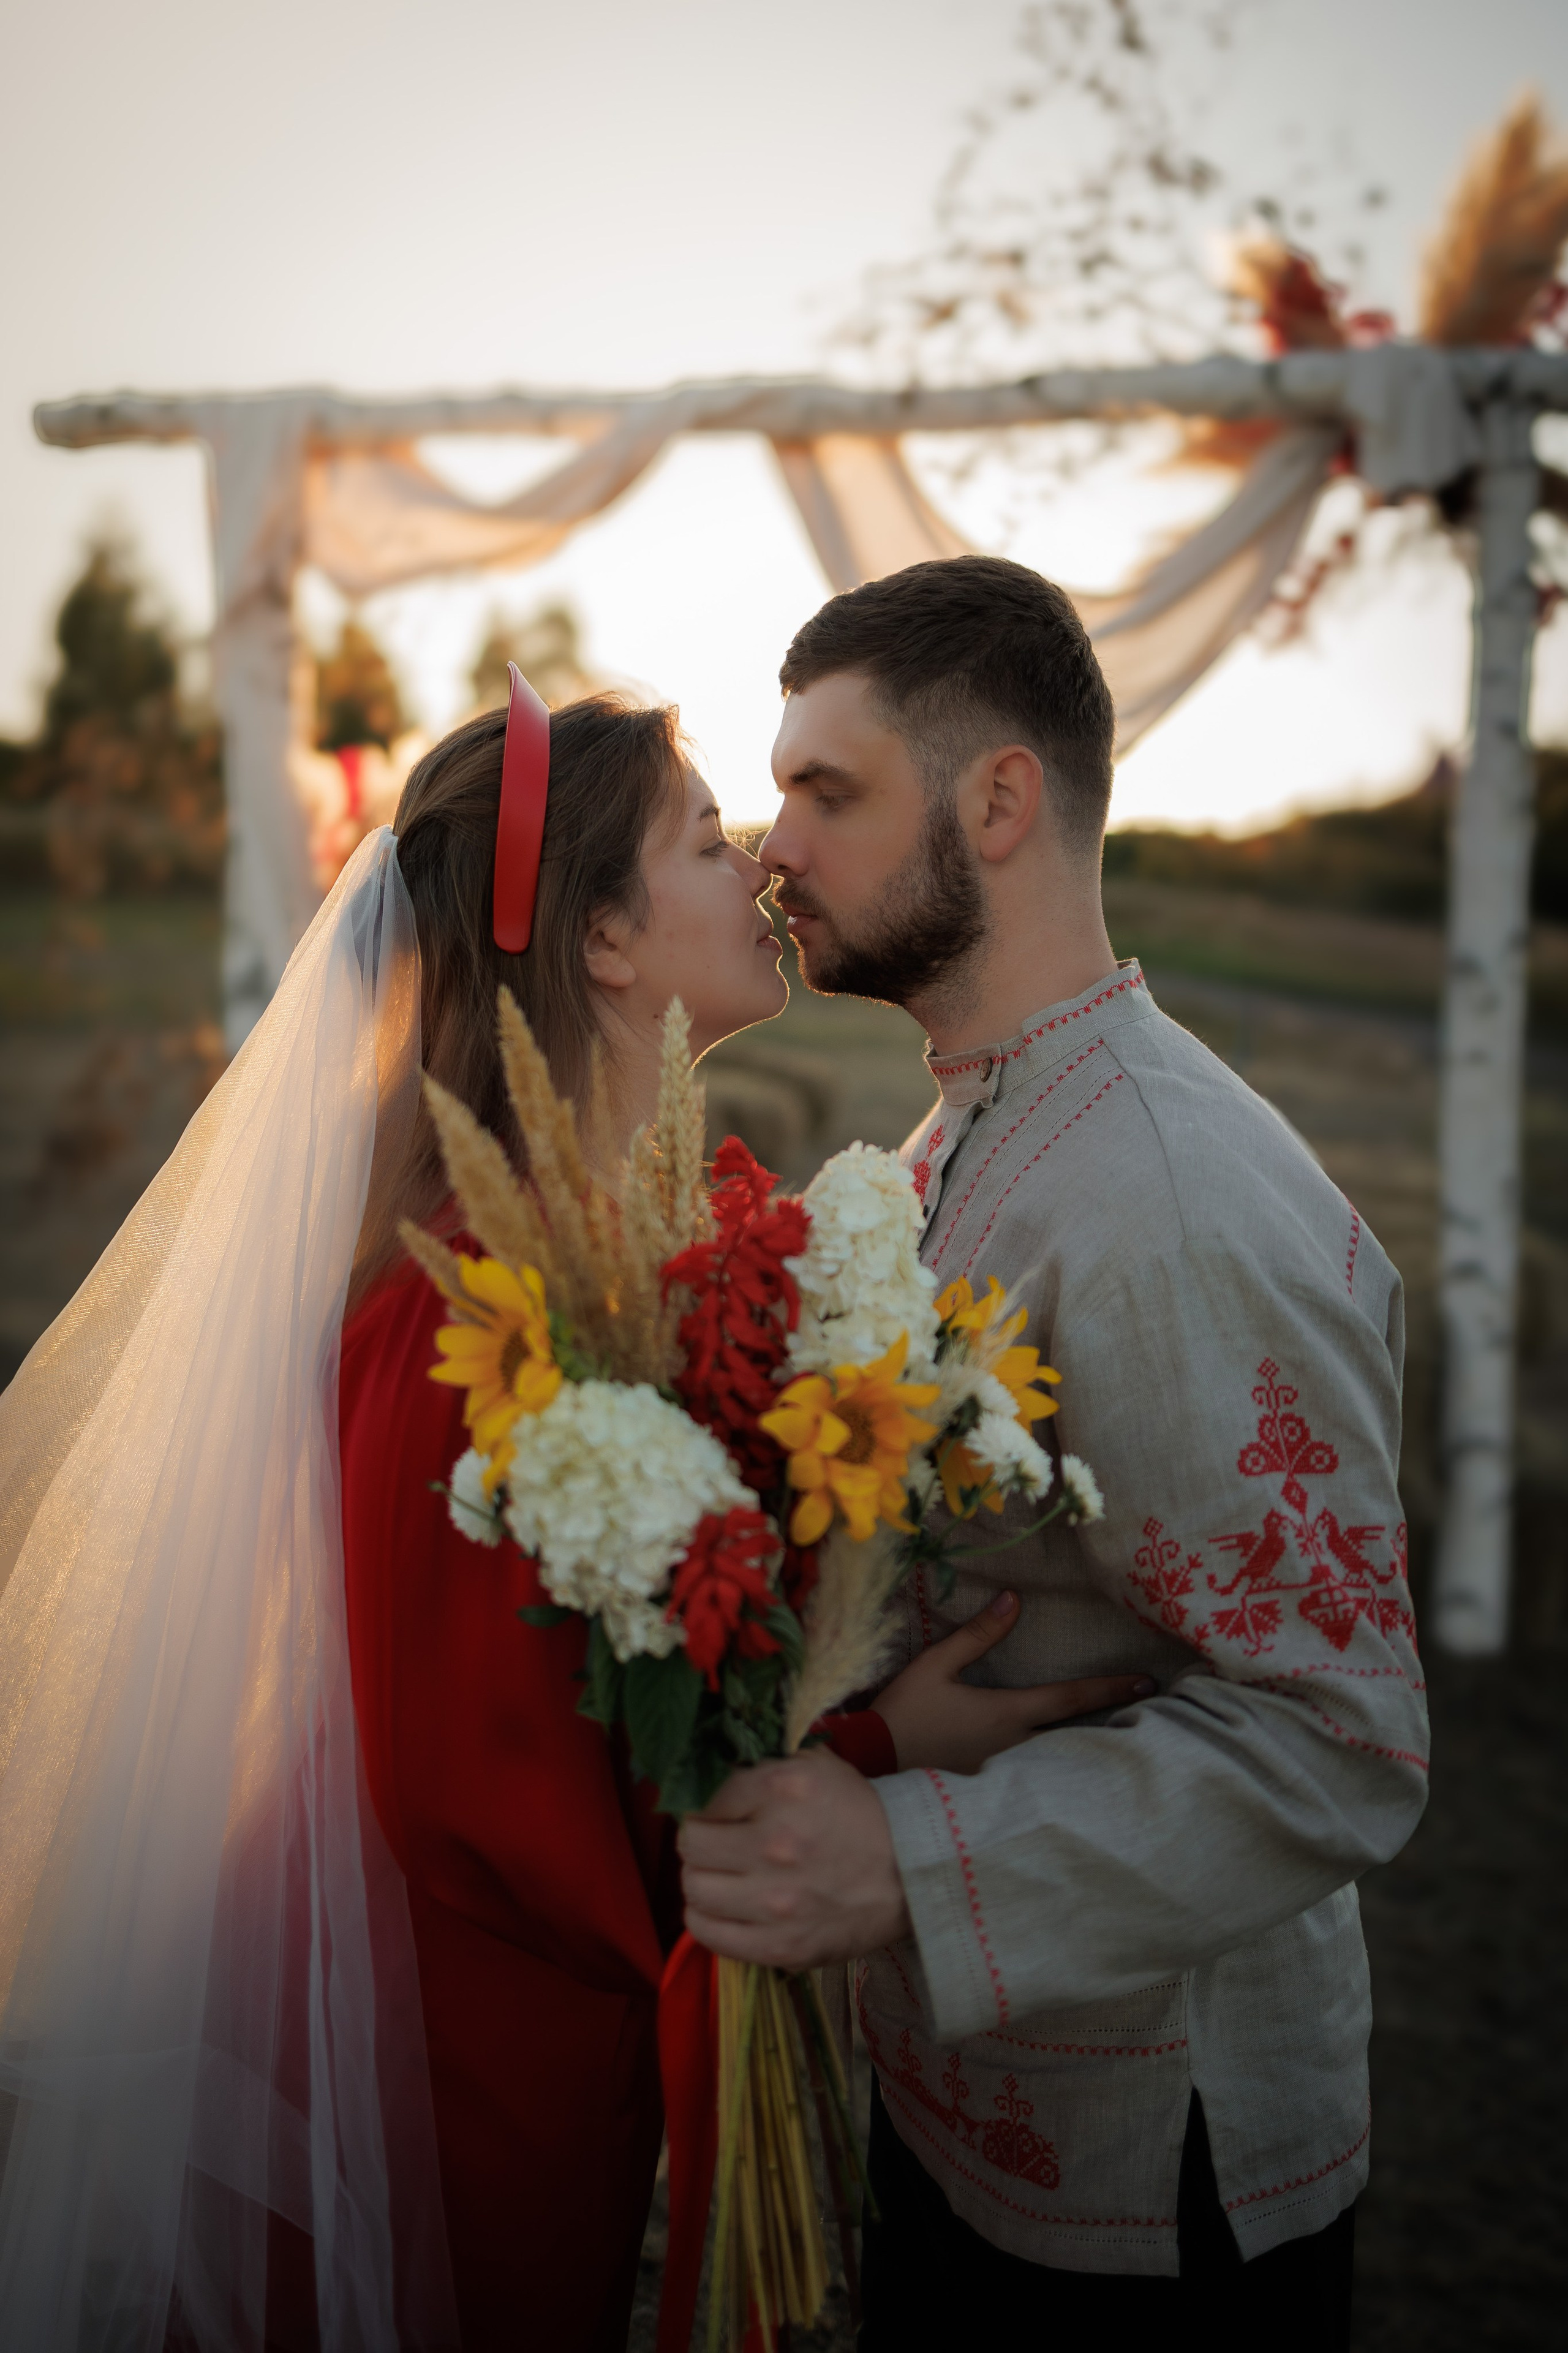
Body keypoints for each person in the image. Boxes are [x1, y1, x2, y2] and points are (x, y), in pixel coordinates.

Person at [0, 673, 1146, 2353]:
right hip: (430, 2093)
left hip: (536, 2073)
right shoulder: (453, 1327)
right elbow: (521, 1824)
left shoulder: (650, 1261)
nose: (758, 858)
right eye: (704, 837)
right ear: (604, 942)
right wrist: (870, 1750)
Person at [677, 554, 1430, 2351]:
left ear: (999, 798)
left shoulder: (1172, 1199)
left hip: (1151, 2188)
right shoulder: (966, 1124)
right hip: (952, 2095)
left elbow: (1344, 1739)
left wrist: (910, 1859)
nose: (772, 844)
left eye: (826, 790)